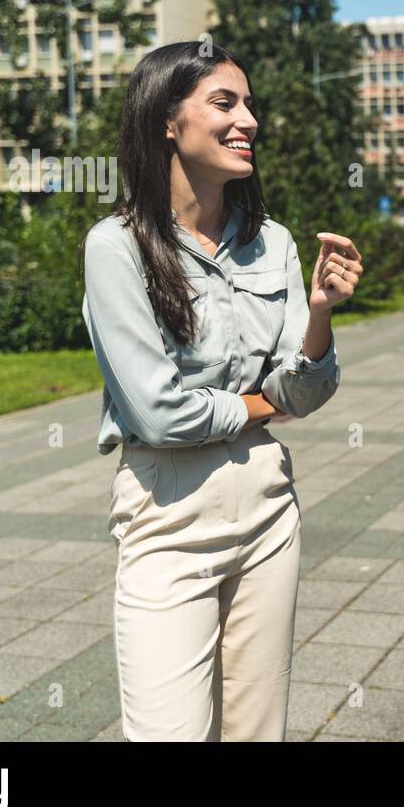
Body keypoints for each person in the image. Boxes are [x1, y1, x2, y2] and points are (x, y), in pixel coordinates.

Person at [81, 41, 364, 741]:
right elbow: (158, 412)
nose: (250, 121)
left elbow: (307, 388)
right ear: (167, 122)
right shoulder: (116, 248)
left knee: (255, 733)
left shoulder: (274, 244)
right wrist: (260, 406)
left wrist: (321, 313)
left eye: (250, 105)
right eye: (225, 102)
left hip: (267, 511)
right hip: (167, 517)